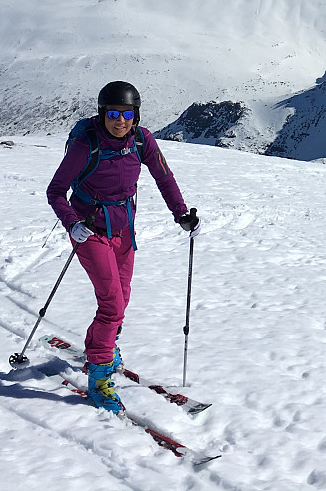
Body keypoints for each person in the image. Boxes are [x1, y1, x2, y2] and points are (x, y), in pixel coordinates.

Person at [46, 81, 201, 413]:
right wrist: (73, 223)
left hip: (123, 229)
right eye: (113, 114)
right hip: (89, 230)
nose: (120, 121)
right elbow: (56, 192)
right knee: (112, 305)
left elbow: (164, 177)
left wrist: (181, 214)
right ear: (102, 114)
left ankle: (101, 346)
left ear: (136, 114)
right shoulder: (85, 145)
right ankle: (100, 377)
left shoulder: (142, 139)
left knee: (122, 296)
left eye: (127, 114)